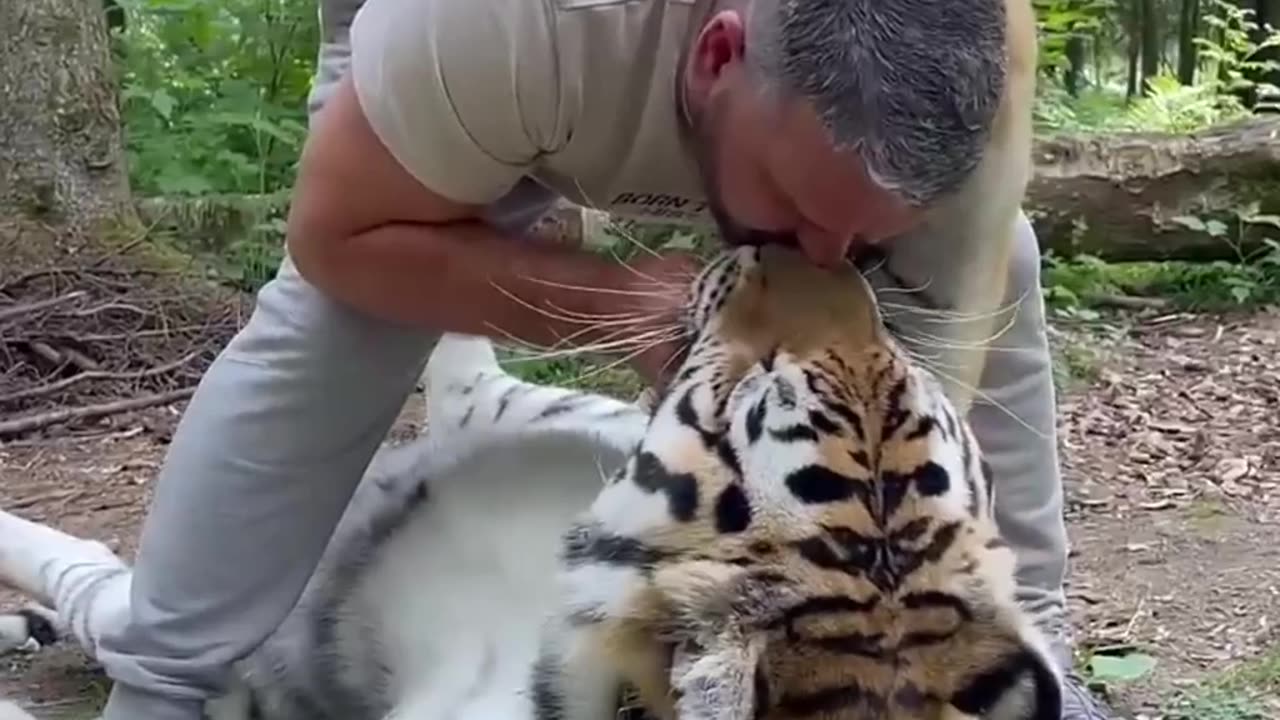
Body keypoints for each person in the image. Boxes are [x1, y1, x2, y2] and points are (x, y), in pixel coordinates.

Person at [90, 0, 1113, 717]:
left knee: (992, 273)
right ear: (716, 58)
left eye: (865, 238)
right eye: (801, 212)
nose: (823, 270)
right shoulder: (502, 27)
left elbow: (976, 337)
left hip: (654, 92)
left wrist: (1028, 651)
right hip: (513, 69)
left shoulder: (954, 106)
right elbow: (339, 238)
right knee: (340, 320)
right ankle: (161, 683)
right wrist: (609, 300)